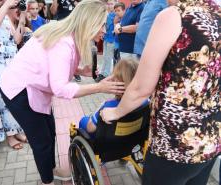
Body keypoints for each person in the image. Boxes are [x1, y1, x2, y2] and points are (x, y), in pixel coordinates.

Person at [0, 0, 124, 184]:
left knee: (50, 132)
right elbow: (60, 89)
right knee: (41, 141)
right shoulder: (63, 42)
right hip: (19, 90)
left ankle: (51, 170)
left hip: (34, 87)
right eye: (102, 24)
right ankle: (47, 180)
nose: (105, 30)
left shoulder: (71, 35)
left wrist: (80, 71)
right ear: (88, 22)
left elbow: (53, 63)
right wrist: (99, 87)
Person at [101, 0, 220, 185]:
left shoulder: (173, 16)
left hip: (175, 145)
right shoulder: (216, 12)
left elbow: (142, 86)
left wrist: (115, 112)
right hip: (211, 140)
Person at [80, 58, 149, 134]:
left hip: (105, 142)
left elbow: (91, 128)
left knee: (83, 120)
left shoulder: (108, 106)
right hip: (131, 138)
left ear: (116, 82)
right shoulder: (145, 101)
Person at [0, 0, 27, 150]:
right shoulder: (1, 13)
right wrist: (7, 5)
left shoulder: (5, 16)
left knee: (15, 98)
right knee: (4, 101)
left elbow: (17, 40)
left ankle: (18, 129)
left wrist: (21, 20)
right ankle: (10, 135)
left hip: (12, 64)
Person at [50, 0, 82, 82]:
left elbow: (82, 12)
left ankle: (74, 70)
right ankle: (59, 71)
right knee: (60, 50)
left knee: (74, 50)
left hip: (73, 27)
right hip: (61, 27)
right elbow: (53, 11)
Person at [95, 0, 116, 82]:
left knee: (108, 57)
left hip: (112, 39)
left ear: (115, 4)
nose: (110, 5)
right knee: (104, 56)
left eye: (112, 4)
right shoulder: (107, 14)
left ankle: (105, 74)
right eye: (109, 4)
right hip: (106, 38)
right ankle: (103, 73)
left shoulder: (116, 15)